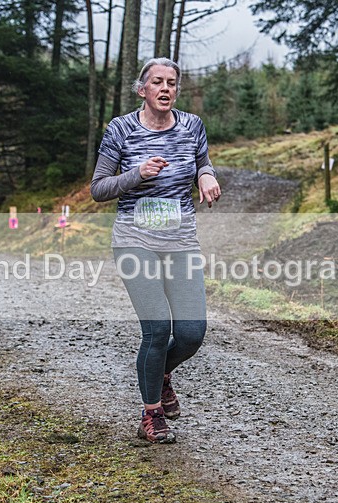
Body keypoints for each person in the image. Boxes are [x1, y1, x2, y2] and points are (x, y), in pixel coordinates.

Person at [91, 58, 222, 444]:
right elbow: (98, 188)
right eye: (157, 83)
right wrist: (137, 175)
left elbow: (202, 160)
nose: (165, 89)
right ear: (142, 89)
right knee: (156, 330)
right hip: (135, 241)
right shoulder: (122, 130)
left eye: (172, 83)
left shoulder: (192, 126)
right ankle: (150, 414)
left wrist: (206, 174)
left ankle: (161, 373)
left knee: (191, 333)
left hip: (180, 242)